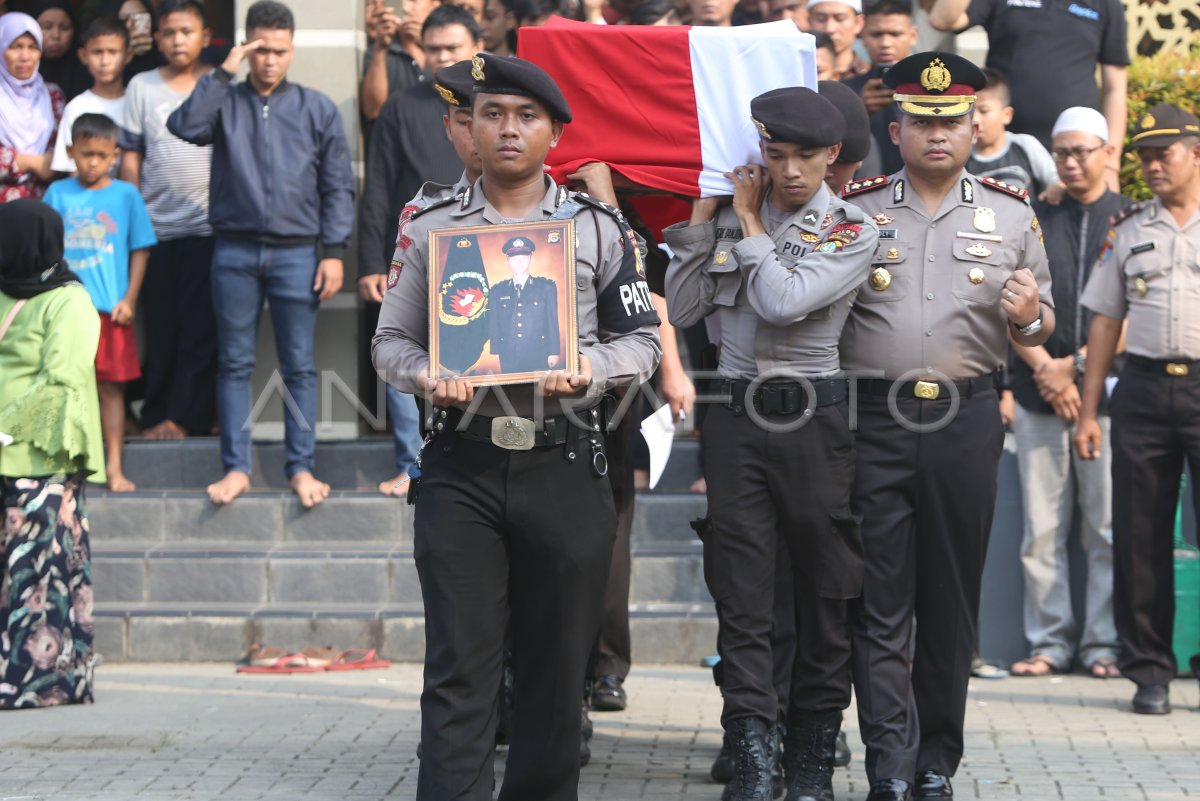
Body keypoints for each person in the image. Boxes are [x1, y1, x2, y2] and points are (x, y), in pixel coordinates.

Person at [372, 52, 661, 800]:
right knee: (460, 668)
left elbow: (643, 341)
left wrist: (588, 370)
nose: (507, 129)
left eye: (526, 116)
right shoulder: (432, 227)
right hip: (461, 465)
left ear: (555, 133)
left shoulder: (594, 229)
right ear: (467, 125)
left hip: (564, 461)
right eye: (492, 113)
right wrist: (424, 372)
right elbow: (388, 342)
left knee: (556, 670)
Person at [838, 51, 1054, 801]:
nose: (938, 133)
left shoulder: (1013, 213)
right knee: (878, 598)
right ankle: (889, 764)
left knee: (950, 599)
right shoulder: (857, 210)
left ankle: (936, 760)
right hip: (875, 417)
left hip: (965, 417)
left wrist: (1030, 316)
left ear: (973, 127)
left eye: (951, 121)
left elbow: (1041, 318)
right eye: (922, 122)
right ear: (895, 128)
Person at [665, 86, 876, 801]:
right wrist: (703, 217)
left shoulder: (851, 228)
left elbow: (784, 299)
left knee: (823, 590)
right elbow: (687, 308)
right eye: (776, 154)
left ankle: (811, 759)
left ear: (832, 156)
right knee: (743, 592)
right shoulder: (729, 220)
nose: (789, 170)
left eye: (805, 156)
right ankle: (753, 756)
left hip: (813, 418)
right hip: (733, 415)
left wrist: (749, 221)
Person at [167, 0, 354, 508]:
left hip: (298, 254)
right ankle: (236, 467)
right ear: (247, 48)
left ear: (291, 50)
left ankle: (301, 466)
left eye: (279, 51)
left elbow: (337, 185)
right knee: (233, 363)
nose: (270, 60)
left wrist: (333, 251)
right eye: (260, 50)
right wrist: (221, 74)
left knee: (298, 366)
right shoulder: (224, 99)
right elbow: (185, 127)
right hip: (233, 249)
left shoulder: (316, 108)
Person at [1074, 103, 1200, 716]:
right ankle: (1149, 670)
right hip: (1145, 390)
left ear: (1195, 153)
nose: (1152, 165)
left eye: (1165, 154)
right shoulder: (1127, 228)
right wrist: (1088, 411)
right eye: (1144, 155)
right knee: (1139, 534)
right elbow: (1104, 323)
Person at [1006, 106, 1128, 681]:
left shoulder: (1129, 218)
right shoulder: (1035, 215)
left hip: (1107, 398)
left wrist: (1075, 368)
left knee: (1104, 528)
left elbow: (1134, 310)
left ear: (1108, 152)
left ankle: (1103, 643)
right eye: (1063, 152)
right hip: (1037, 393)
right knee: (1042, 530)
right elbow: (1008, 300)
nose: (1073, 162)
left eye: (1083, 151)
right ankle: (1049, 642)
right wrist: (1046, 369)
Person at [358, 13, 481, 498]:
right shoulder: (400, 106)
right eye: (432, 49)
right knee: (407, 353)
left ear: (478, 46)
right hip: (414, 252)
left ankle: (466, 455)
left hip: (481, 247)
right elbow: (379, 187)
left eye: (453, 48)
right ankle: (413, 461)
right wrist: (371, 261)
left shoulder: (495, 103)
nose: (442, 57)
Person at [0, 199, 105, 709]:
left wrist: (5, 430)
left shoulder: (70, 301)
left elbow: (61, 379)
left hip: (41, 459)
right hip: (6, 458)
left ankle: (39, 683)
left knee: (39, 573)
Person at [120, 0, 216, 441]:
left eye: (186, 31)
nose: (178, 40)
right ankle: (157, 413)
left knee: (199, 328)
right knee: (160, 326)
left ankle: (190, 416)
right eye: (170, 32)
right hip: (155, 229)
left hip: (207, 228)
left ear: (205, 37)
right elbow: (132, 156)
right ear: (156, 39)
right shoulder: (141, 85)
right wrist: (133, 219)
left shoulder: (217, 83)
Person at [44, 113, 155, 493]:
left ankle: (114, 466)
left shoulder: (126, 195)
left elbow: (140, 249)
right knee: (67, 388)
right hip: (65, 313)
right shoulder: (57, 194)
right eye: (85, 153)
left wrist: (130, 299)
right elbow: (45, 251)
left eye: (101, 155)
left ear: (115, 156)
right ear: (71, 152)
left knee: (111, 390)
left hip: (111, 312)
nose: (93, 162)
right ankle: (68, 465)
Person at [927, 0, 1128, 189]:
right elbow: (943, 20)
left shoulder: (1106, 4)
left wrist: (1110, 162)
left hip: (1076, 153)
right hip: (1005, 151)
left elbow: (1116, 91)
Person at [841, 0, 917, 178]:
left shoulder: (930, 90)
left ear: (913, 36)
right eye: (876, 34)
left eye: (895, 34)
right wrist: (859, 112)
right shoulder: (846, 91)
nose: (885, 43)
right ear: (863, 36)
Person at [50, 15, 130, 175]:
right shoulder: (77, 107)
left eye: (113, 52)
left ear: (128, 55)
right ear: (83, 56)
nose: (105, 61)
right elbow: (72, 171)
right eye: (97, 52)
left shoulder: (137, 102)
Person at [1, 12, 65, 202]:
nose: (25, 56)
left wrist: (52, 164)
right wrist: (30, 162)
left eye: (33, 47)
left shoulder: (53, 95)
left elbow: (64, 150)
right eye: (16, 47)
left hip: (44, 207)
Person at [966, 69, 1059, 199]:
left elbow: (1056, 180)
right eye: (970, 111)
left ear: (1007, 115)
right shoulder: (962, 155)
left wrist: (1056, 188)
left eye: (984, 110)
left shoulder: (1025, 146)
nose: (975, 119)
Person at [488, 236, 562, 375]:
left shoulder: (546, 287)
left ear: (531, 260)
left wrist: (554, 351)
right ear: (507, 262)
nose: (519, 263)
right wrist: (495, 350)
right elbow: (494, 323)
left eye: (523, 258)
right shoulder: (498, 291)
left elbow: (552, 322)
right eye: (514, 259)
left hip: (539, 350)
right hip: (508, 352)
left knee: (539, 393)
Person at [360, 0, 436, 123]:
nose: (406, 8)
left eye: (413, 1)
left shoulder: (443, 51)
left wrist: (429, 41)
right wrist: (381, 47)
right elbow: (373, 111)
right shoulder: (378, 52)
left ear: (435, 5)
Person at [820, 78, 872, 192]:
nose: (824, 171)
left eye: (838, 161)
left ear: (859, 161)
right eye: (807, 156)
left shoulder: (874, 205)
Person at [33, 0, 89, 101]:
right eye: (47, 27)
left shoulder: (87, 73)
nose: (56, 35)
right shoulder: (18, 73)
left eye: (64, 27)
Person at [809, 0, 866, 80]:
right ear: (809, 21)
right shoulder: (798, 75)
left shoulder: (869, 74)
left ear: (858, 23)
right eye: (821, 19)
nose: (830, 29)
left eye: (840, 19)